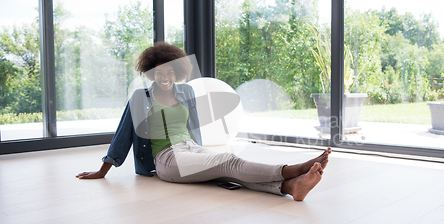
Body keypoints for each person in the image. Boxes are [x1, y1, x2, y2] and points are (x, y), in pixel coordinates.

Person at [76, 43, 331, 201]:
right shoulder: (140, 98)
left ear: (178, 73)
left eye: (170, 72)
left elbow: (193, 128)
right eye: (159, 72)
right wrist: (103, 169)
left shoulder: (186, 92)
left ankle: (290, 188)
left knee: (229, 170)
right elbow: (123, 134)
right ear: (151, 73)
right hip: (166, 159)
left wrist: (201, 154)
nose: (165, 77)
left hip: (189, 148)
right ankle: (291, 169)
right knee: (228, 160)